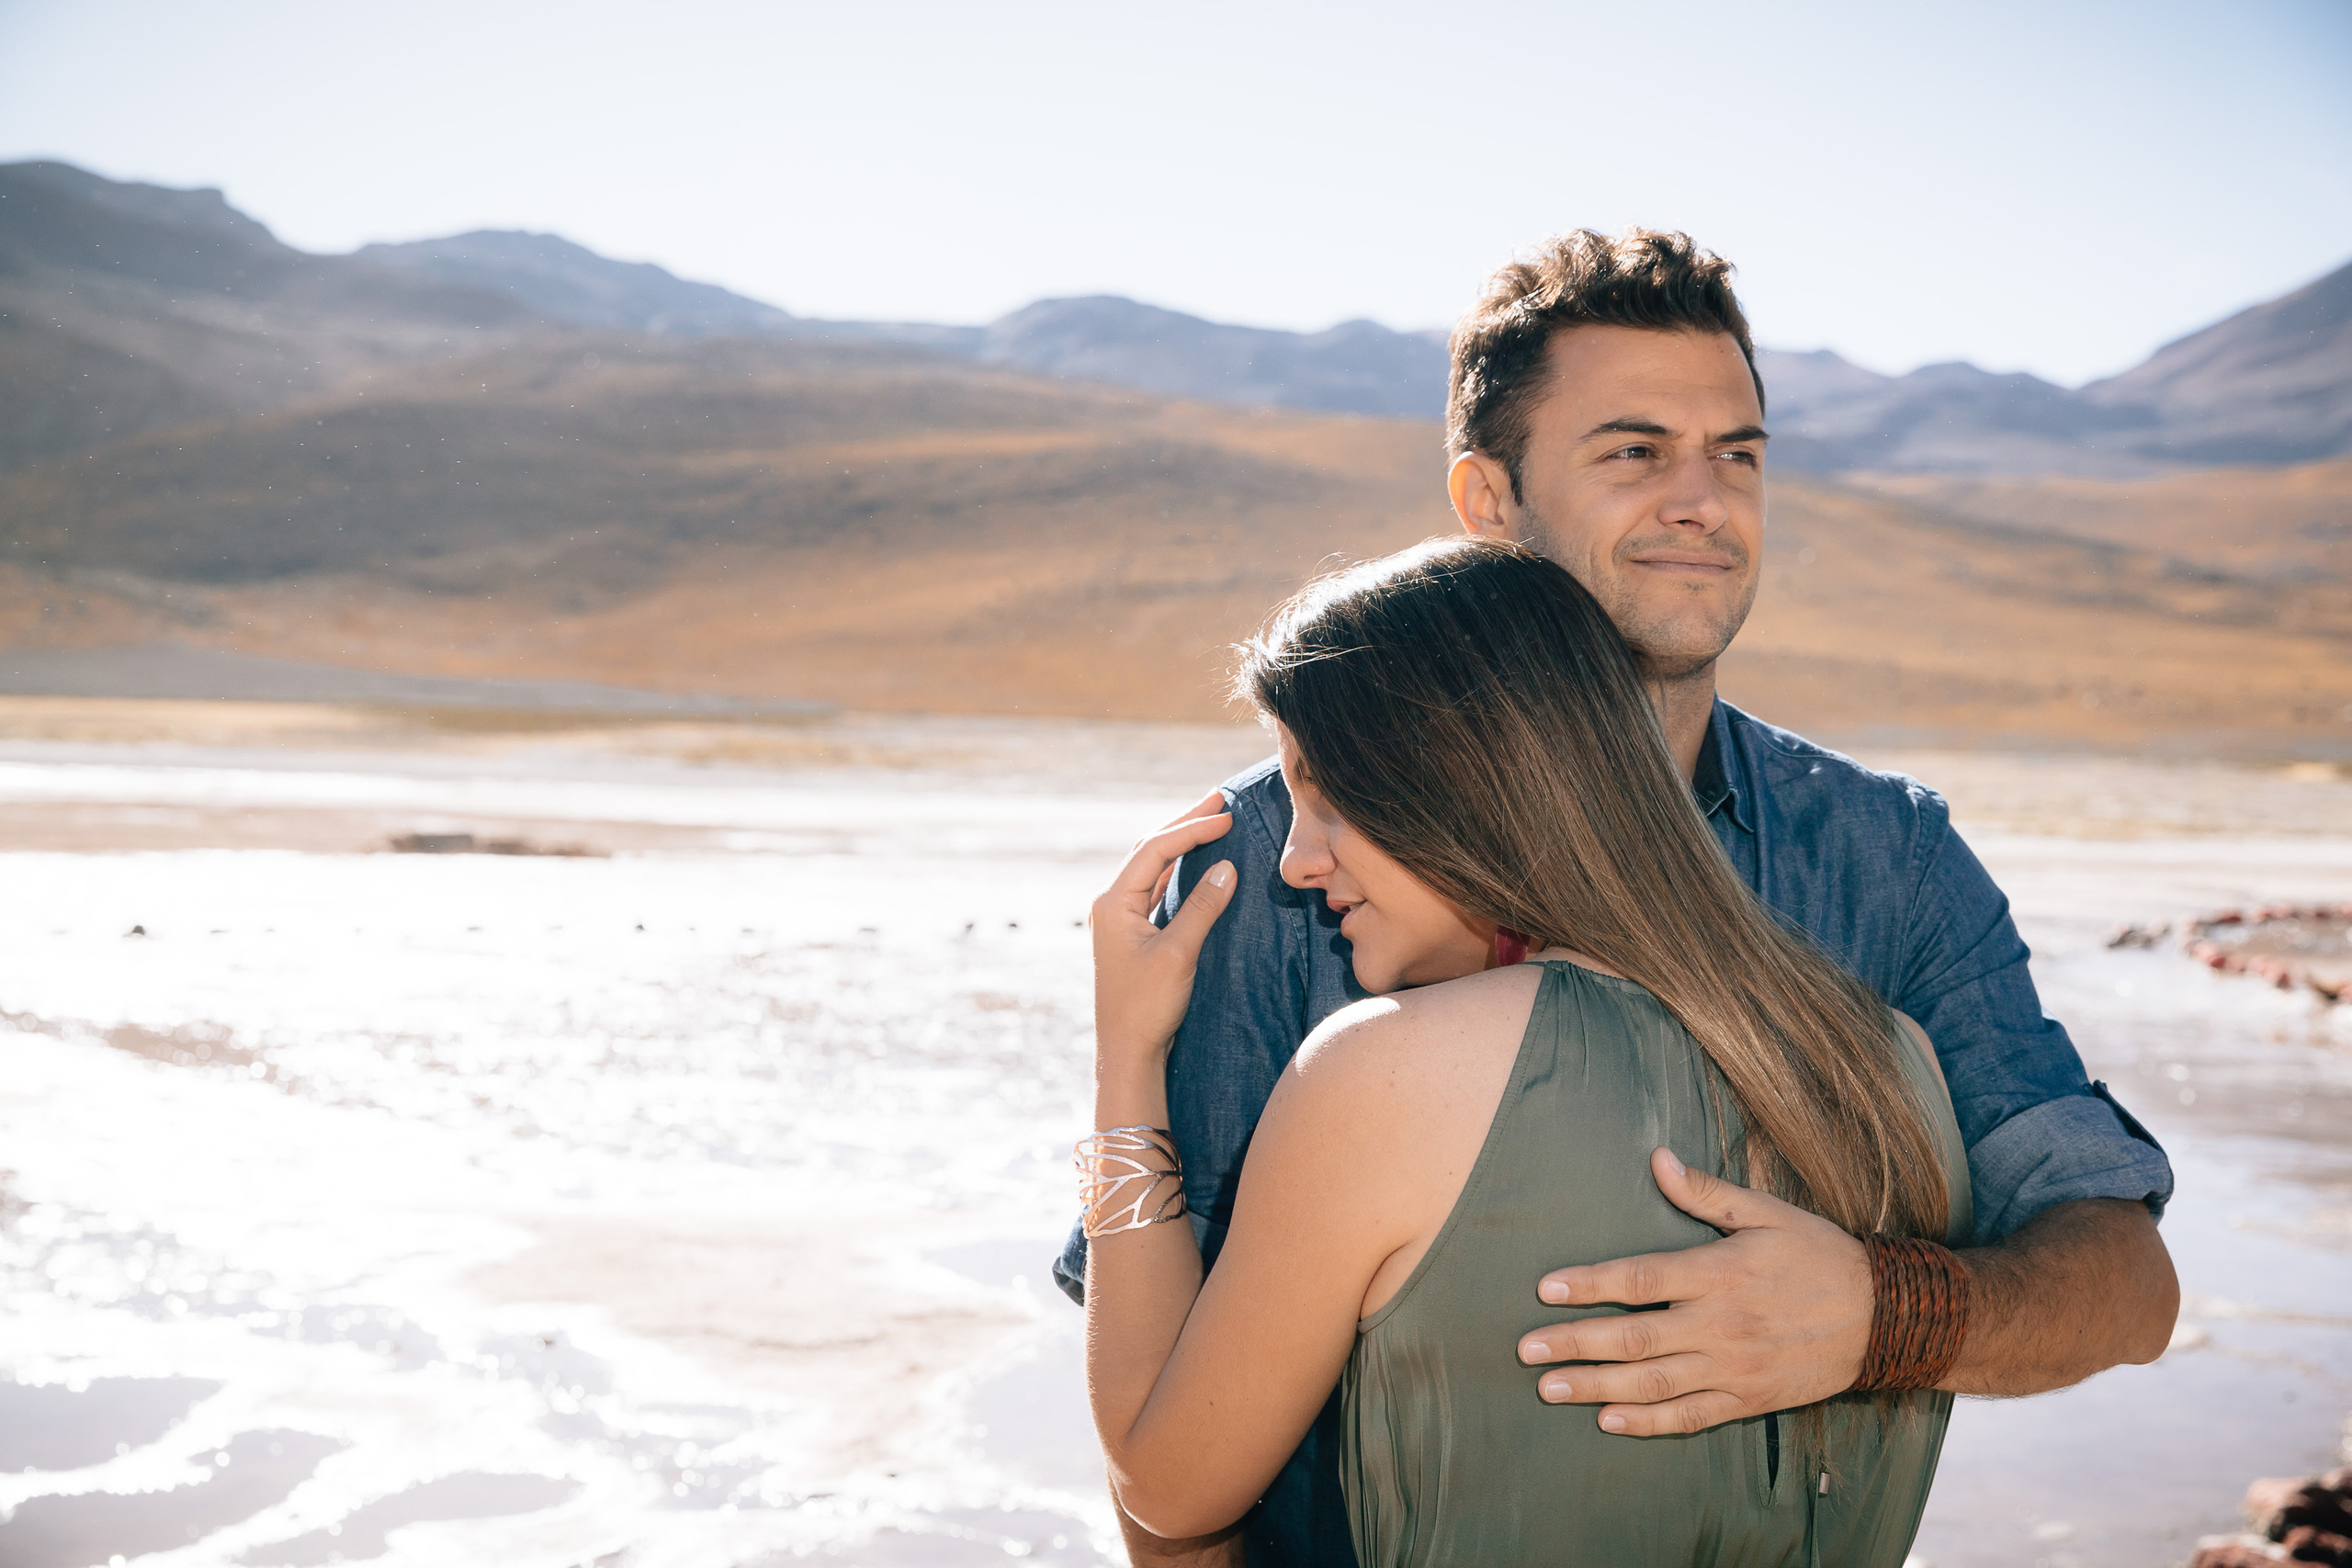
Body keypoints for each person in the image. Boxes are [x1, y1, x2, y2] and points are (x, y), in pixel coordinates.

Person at [1056, 230, 2179, 1565]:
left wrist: (1888, 1313)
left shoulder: (1887, 863)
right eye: (1635, 450)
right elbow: (1176, 1472)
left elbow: (2127, 1283)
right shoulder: (1257, 860)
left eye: (1740, 454)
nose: (1704, 499)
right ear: (1487, 500)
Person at [1083, 537, 1978, 1566]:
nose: (1295, 858)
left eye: (1328, 793)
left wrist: (1127, 1064)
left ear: (1460, 782)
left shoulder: (1382, 1076)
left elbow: (1166, 1491)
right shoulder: (1897, 1066)